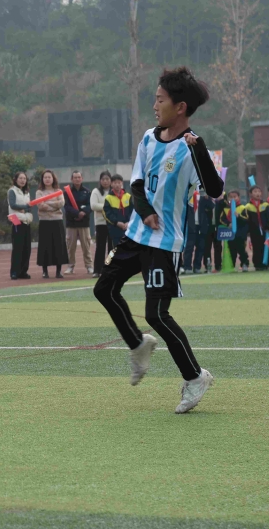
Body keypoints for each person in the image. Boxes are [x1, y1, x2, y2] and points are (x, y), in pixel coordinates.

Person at [92, 67, 223, 414]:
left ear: (180, 107)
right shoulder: (149, 138)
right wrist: (146, 210)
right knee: (104, 288)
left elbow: (215, 189)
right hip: (135, 235)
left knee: (157, 314)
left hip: (164, 243)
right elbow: (136, 185)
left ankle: (195, 377)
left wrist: (200, 150)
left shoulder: (191, 147)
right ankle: (137, 345)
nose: (154, 106)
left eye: (160, 100)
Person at [34, 170, 67, 279]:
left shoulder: (58, 191)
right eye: (45, 177)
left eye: (49, 177)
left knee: (59, 245)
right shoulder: (39, 192)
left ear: (53, 179)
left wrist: (47, 202)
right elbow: (40, 205)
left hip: (57, 221)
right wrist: (54, 206)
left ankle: (58, 271)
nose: (47, 179)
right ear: (42, 179)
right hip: (44, 221)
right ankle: (45, 271)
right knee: (45, 246)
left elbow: (61, 203)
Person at [64, 171, 93, 275]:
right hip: (71, 223)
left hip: (84, 223)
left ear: (82, 178)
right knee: (71, 247)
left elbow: (90, 205)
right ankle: (70, 266)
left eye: (79, 177)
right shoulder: (67, 192)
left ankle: (89, 266)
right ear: (72, 179)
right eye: (75, 177)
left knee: (86, 247)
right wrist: (77, 213)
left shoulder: (87, 192)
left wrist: (83, 212)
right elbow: (67, 206)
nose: (77, 179)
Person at [8, 171, 33, 280]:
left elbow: (29, 206)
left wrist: (26, 208)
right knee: (17, 247)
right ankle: (14, 272)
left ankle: (23, 271)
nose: (23, 180)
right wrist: (25, 207)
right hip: (16, 220)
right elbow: (13, 205)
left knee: (27, 248)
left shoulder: (27, 192)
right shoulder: (12, 191)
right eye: (20, 178)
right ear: (16, 179)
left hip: (26, 220)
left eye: (24, 178)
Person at [218, 191, 249, 271]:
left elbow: (246, 219)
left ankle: (244, 264)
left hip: (240, 233)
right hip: (230, 233)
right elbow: (221, 219)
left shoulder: (242, 208)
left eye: (235, 196)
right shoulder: (226, 209)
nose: (233, 198)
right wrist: (228, 223)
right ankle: (232, 265)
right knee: (232, 249)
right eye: (231, 197)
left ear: (238, 197)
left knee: (241, 249)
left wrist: (238, 216)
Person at [90, 171, 111, 278]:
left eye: (107, 179)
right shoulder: (96, 191)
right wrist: (108, 206)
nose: (105, 181)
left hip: (113, 223)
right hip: (101, 223)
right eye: (103, 179)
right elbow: (93, 205)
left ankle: (110, 268)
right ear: (100, 181)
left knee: (112, 248)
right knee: (100, 247)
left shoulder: (114, 191)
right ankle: (97, 270)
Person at [244, 186, 269, 271]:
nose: (257, 193)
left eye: (259, 191)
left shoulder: (265, 205)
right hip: (254, 230)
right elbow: (247, 220)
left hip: (265, 230)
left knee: (265, 246)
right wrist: (248, 231)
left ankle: (266, 263)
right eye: (255, 192)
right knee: (256, 247)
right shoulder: (247, 207)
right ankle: (257, 264)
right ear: (250, 194)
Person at [102, 174, 132, 248]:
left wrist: (128, 222)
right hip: (115, 229)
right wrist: (117, 223)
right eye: (115, 183)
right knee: (116, 249)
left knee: (128, 248)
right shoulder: (108, 198)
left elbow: (132, 211)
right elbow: (107, 214)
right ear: (111, 184)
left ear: (122, 183)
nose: (117, 185)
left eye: (119, 182)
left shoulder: (128, 196)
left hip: (128, 228)